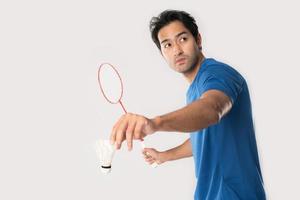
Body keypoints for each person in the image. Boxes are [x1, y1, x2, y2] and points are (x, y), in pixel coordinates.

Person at [109, 10, 266, 200]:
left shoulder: (218, 74)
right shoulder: (193, 91)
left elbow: (211, 109)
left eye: (182, 39)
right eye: (167, 45)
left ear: (198, 40)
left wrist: (155, 123)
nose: (176, 50)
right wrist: (165, 155)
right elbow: (201, 138)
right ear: (162, 54)